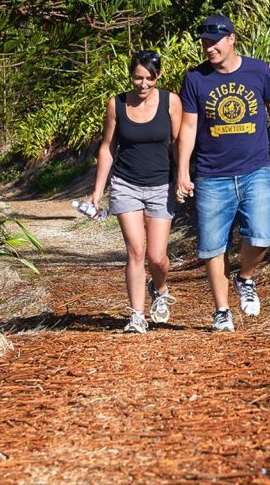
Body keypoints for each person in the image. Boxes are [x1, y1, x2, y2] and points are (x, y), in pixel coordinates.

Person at [175, 13, 270, 332]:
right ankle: (222, 311)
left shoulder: (258, 70)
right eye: (204, 43)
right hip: (211, 175)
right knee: (213, 246)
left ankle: (245, 278)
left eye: (214, 42)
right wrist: (183, 171)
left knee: (262, 233)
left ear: (231, 39)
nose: (209, 48)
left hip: (255, 170)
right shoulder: (195, 79)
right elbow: (188, 127)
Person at [88, 50, 182, 334]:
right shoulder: (116, 104)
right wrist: (97, 191)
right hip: (125, 184)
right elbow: (107, 147)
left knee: (156, 257)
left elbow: (178, 143)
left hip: (160, 185)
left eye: (149, 79)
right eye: (137, 78)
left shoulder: (170, 101)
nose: (142, 84)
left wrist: (183, 177)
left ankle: (160, 287)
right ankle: (137, 316)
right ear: (130, 76)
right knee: (135, 252)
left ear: (158, 76)